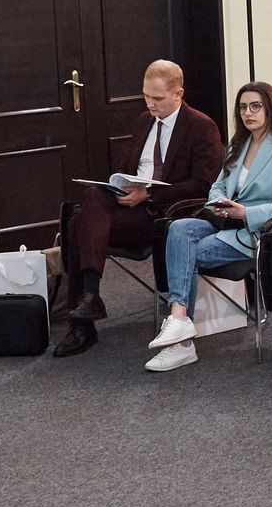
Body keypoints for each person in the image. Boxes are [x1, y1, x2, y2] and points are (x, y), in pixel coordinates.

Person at [57, 60, 225, 357]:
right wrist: (121, 185)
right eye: (146, 96)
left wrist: (148, 195)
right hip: (131, 207)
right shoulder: (143, 121)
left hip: (163, 214)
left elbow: (203, 185)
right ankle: (90, 298)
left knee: (79, 223)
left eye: (157, 98)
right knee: (91, 199)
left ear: (178, 93)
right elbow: (126, 168)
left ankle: (82, 321)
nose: (150, 104)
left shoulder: (201, 127)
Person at [144, 82, 272, 372]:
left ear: (270, 108)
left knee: (187, 252)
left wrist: (247, 212)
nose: (248, 112)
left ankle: (180, 339)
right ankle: (180, 322)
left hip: (259, 232)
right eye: (243, 107)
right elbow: (219, 183)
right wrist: (218, 200)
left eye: (255, 106)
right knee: (179, 228)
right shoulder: (240, 144)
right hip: (226, 223)